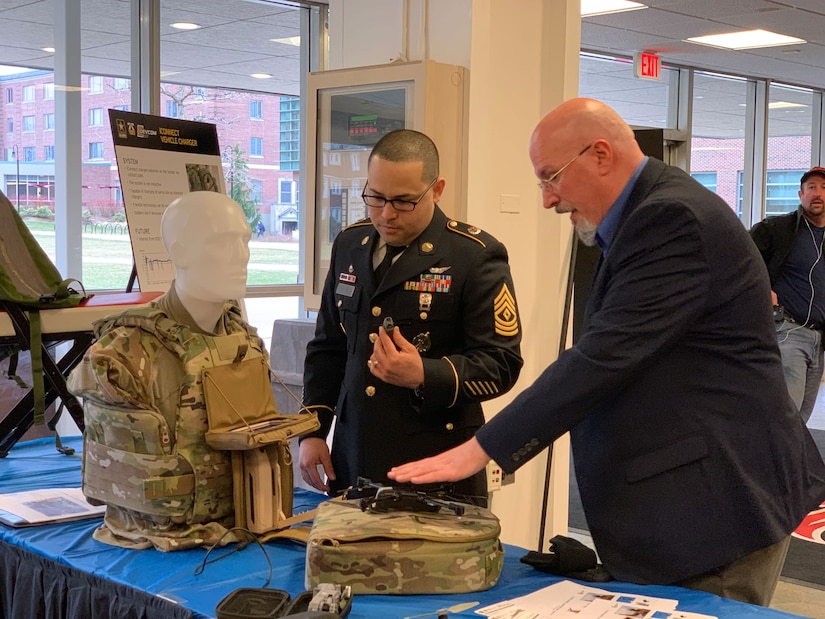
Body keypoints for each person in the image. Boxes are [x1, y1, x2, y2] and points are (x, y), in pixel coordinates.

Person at [389, 98, 825, 605]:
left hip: (715, 510)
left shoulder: (671, 219)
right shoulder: (650, 210)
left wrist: (482, 448)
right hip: (685, 501)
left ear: (599, 154)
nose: (547, 200)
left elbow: (603, 357)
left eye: (551, 177)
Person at [300, 129, 523, 503]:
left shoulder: (474, 256)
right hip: (354, 460)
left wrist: (424, 374)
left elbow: (501, 365)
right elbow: (328, 348)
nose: (386, 214)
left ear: (436, 190)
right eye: (376, 197)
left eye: (403, 202)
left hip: (437, 468)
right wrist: (313, 430)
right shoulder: (350, 245)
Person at [68, 191, 264, 550]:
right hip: (153, 539)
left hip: (247, 528)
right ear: (180, 251)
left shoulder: (244, 343)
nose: (242, 255)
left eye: (245, 241)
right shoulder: (122, 354)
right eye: (223, 242)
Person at [750, 167, 825, 425]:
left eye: (824, 188)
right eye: (812, 188)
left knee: (800, 420)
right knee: (785, 418)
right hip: (789, 332)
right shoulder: (778, 229)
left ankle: (791, 466)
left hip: (819, 340)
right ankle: (767, 465)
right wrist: (763, 290)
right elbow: (741, 258)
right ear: (800, 194)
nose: (818, 194)